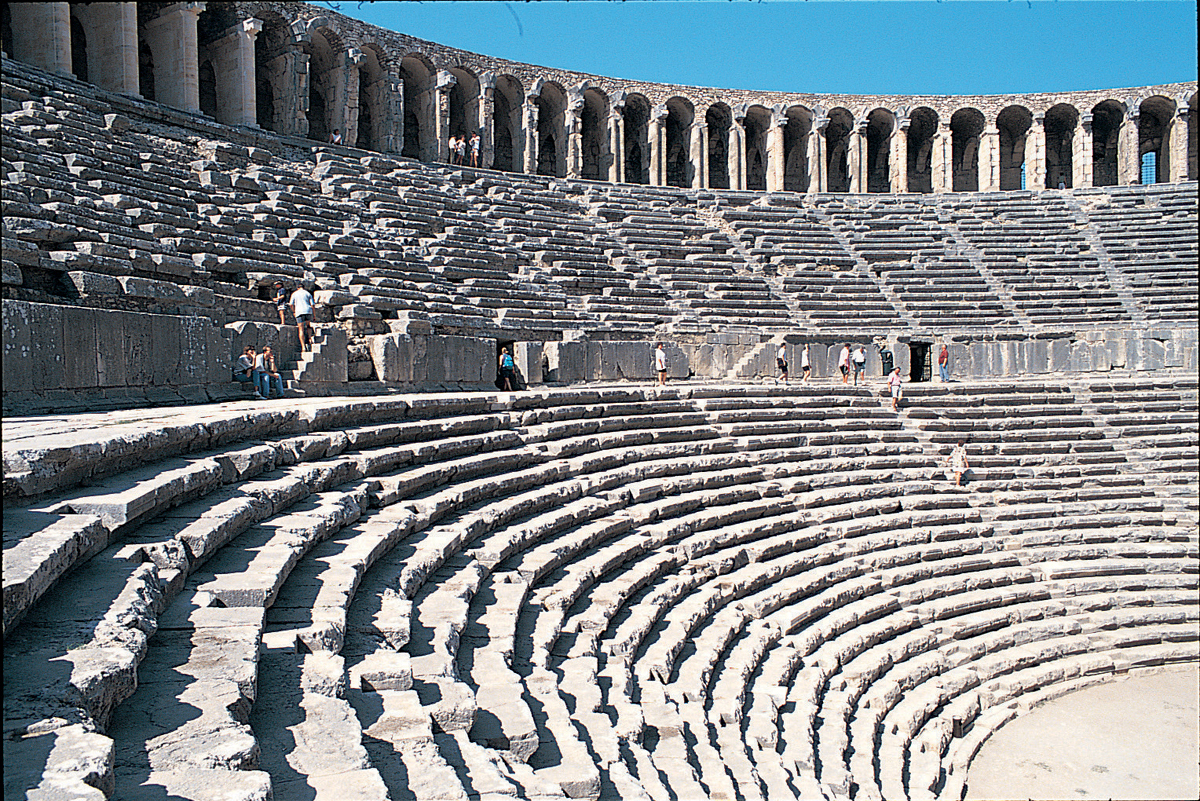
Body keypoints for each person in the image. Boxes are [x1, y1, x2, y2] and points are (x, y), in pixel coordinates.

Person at [290, 283, 315, 351]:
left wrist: (293, 311)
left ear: (298, 288)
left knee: (301, 329)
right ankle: (310, 338)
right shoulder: (308, 293)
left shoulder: (294, 294)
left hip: (299, 311)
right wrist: (314, 315)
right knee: (308, 325)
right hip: (308, 310)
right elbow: (312, 305)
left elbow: (291, 304)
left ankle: (303, 346)